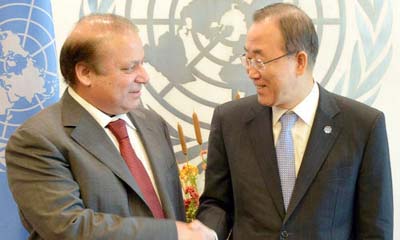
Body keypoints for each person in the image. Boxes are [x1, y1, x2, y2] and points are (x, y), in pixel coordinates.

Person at [6, 14, 214, 240]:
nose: (144, 77)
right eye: (129, 68)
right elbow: (69, 227)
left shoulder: (152, 124)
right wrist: (173, 233)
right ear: (85, 73)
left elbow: (170, 208)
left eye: (142, 63)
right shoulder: (37, 139)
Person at [196, 3, 393, 240]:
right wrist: (205, 233)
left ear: (300, 61)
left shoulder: (362, 126)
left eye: (260, 61)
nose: (251, 72)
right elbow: (217, 203)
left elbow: (375, 230)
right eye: (247, 59)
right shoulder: (230, 121)